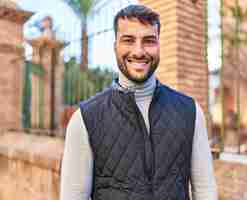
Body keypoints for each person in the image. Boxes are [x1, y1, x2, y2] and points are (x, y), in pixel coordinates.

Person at [60, 4, 218, 200]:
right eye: (128, 40)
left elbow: (205, 190)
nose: (139, 51)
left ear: (159, 44)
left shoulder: (190, 112)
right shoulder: (85, 119)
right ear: (115, 45)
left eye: (149, 41)